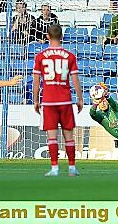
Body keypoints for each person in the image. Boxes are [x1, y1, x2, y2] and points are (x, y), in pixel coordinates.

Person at [32, 24, 83, 177]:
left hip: (49, 101)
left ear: (47, 36)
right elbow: (75, 79)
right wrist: (80, 98)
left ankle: (55, 168)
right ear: (61, 36)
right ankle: (72, 168)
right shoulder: (69, 56)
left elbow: (36, 81)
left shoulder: (40, 56)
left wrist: (35, 100)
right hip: (65, 101)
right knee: (69, 136)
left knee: (52, 136)